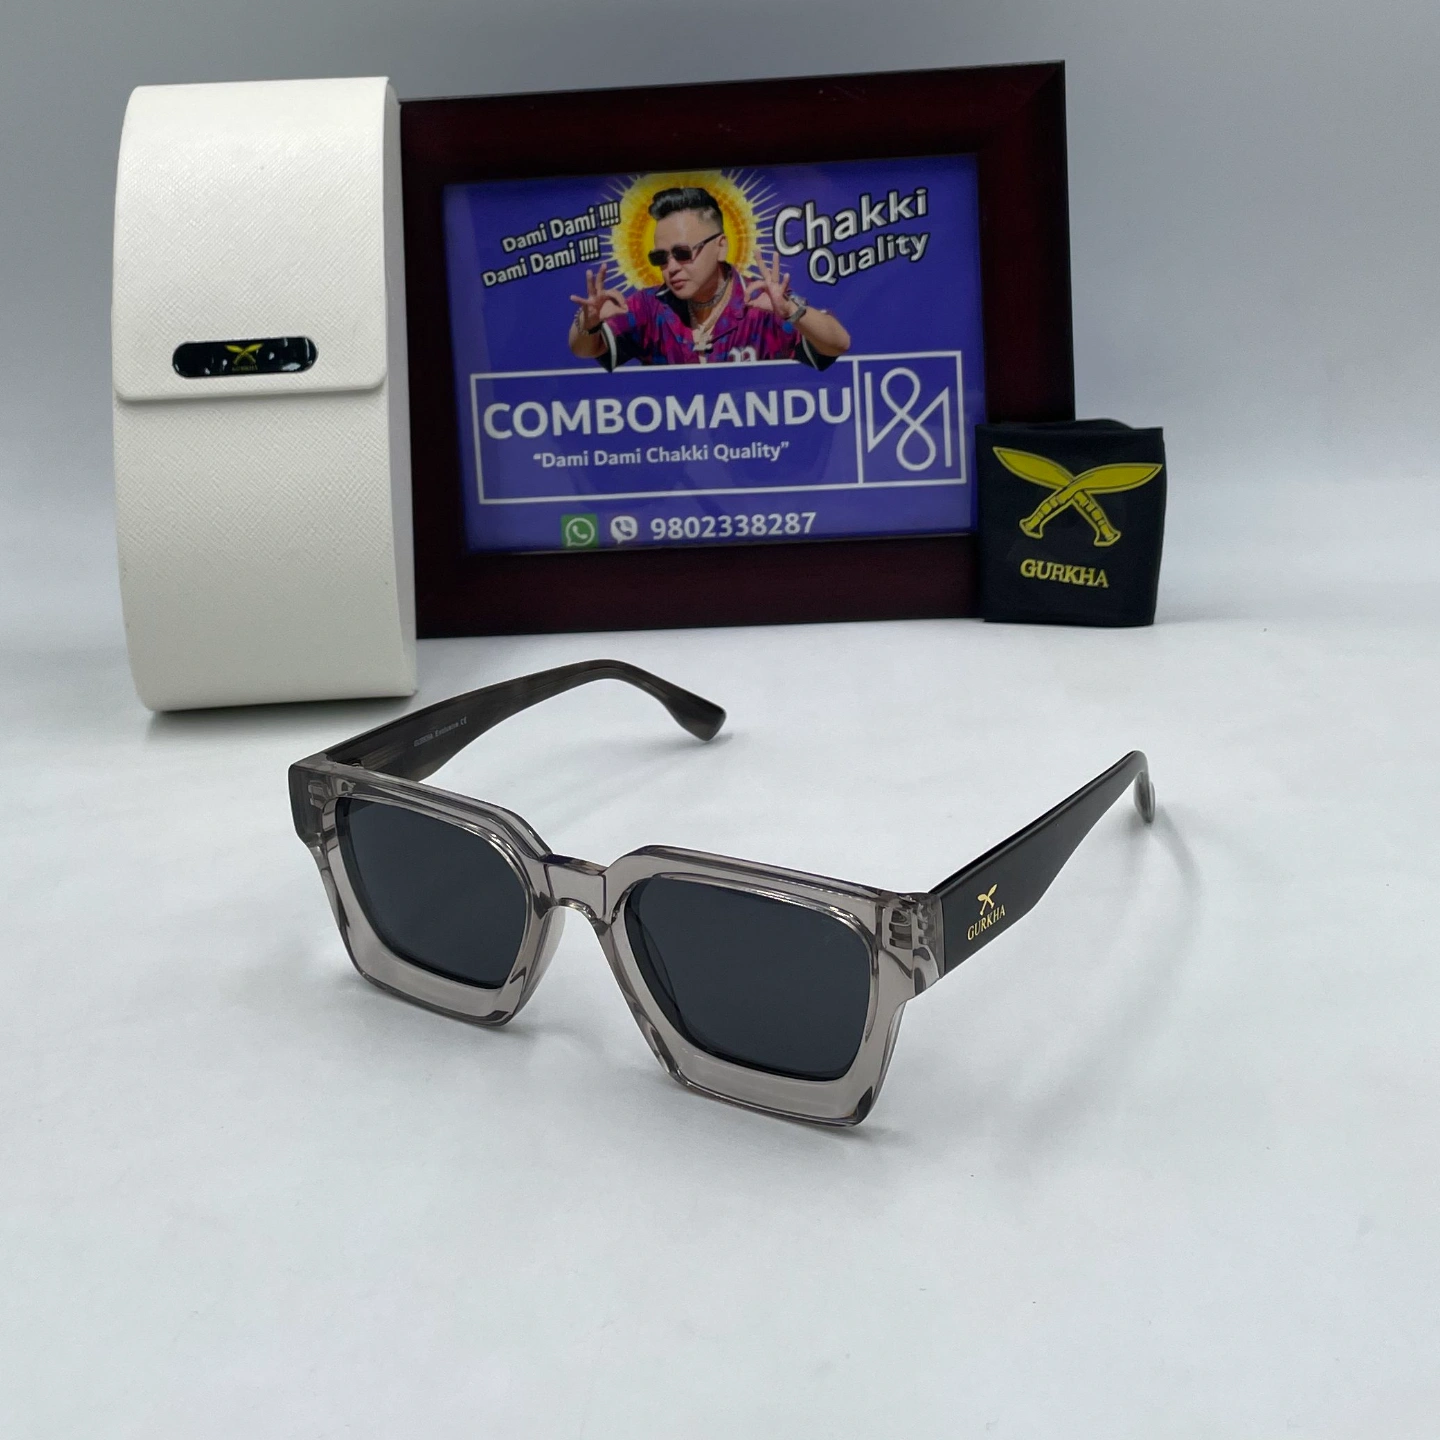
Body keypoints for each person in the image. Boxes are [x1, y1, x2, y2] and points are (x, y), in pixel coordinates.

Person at [567, 186, 851, 369]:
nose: (671, 267)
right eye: (660, 257)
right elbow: (584, 349)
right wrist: (587, 323)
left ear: (721, 247)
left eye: (682, 253)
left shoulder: (762, 303)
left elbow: (838, 342)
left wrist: (790, 311)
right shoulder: (649, 307)